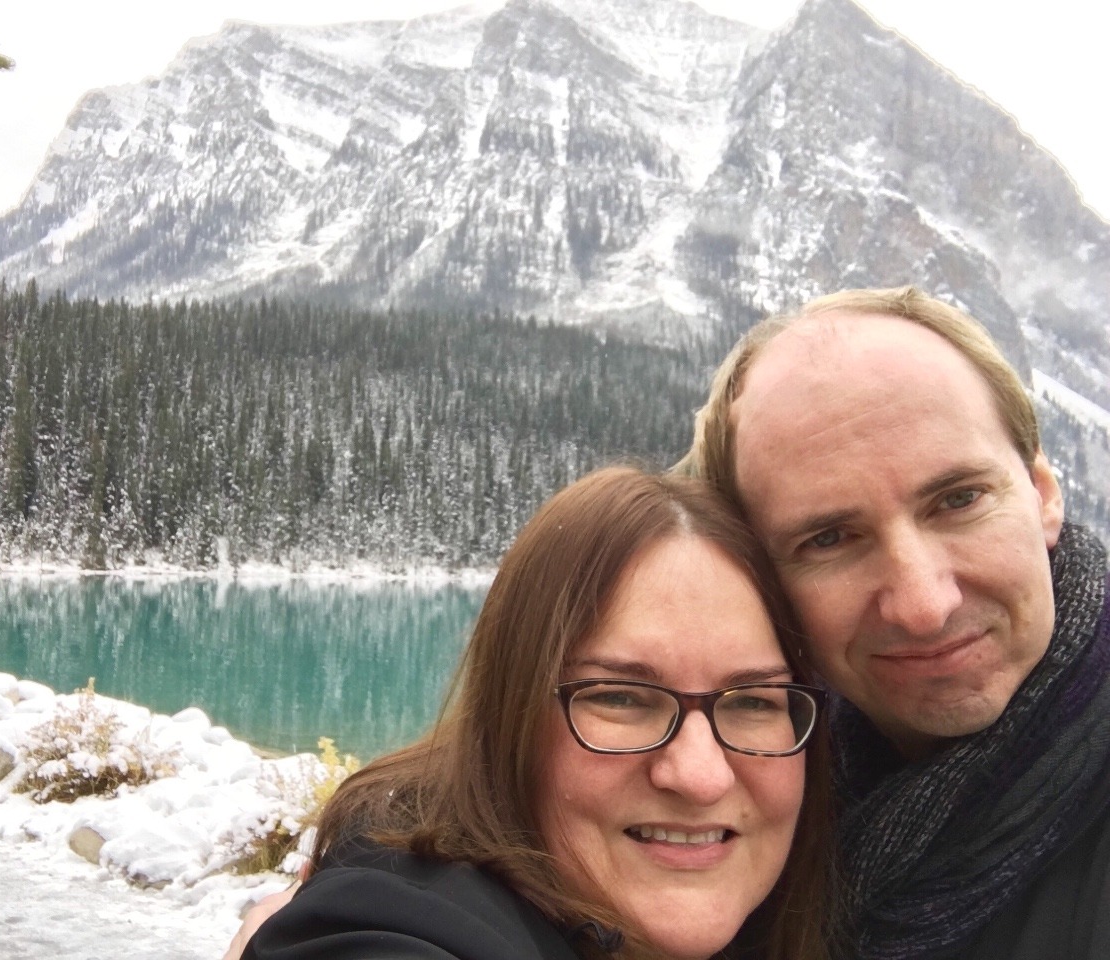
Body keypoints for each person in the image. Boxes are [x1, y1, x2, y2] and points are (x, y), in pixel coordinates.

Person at [235, 466, 834, 960]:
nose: (702, 776)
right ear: (509, 714)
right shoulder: (400, 921)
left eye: (754, 701)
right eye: (619, 697)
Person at [679, 286, 1110, 959]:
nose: (922, 605)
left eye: (959, 500)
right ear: (762, 582)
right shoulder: (722, 808)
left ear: (1043, 495)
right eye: (829, 539)